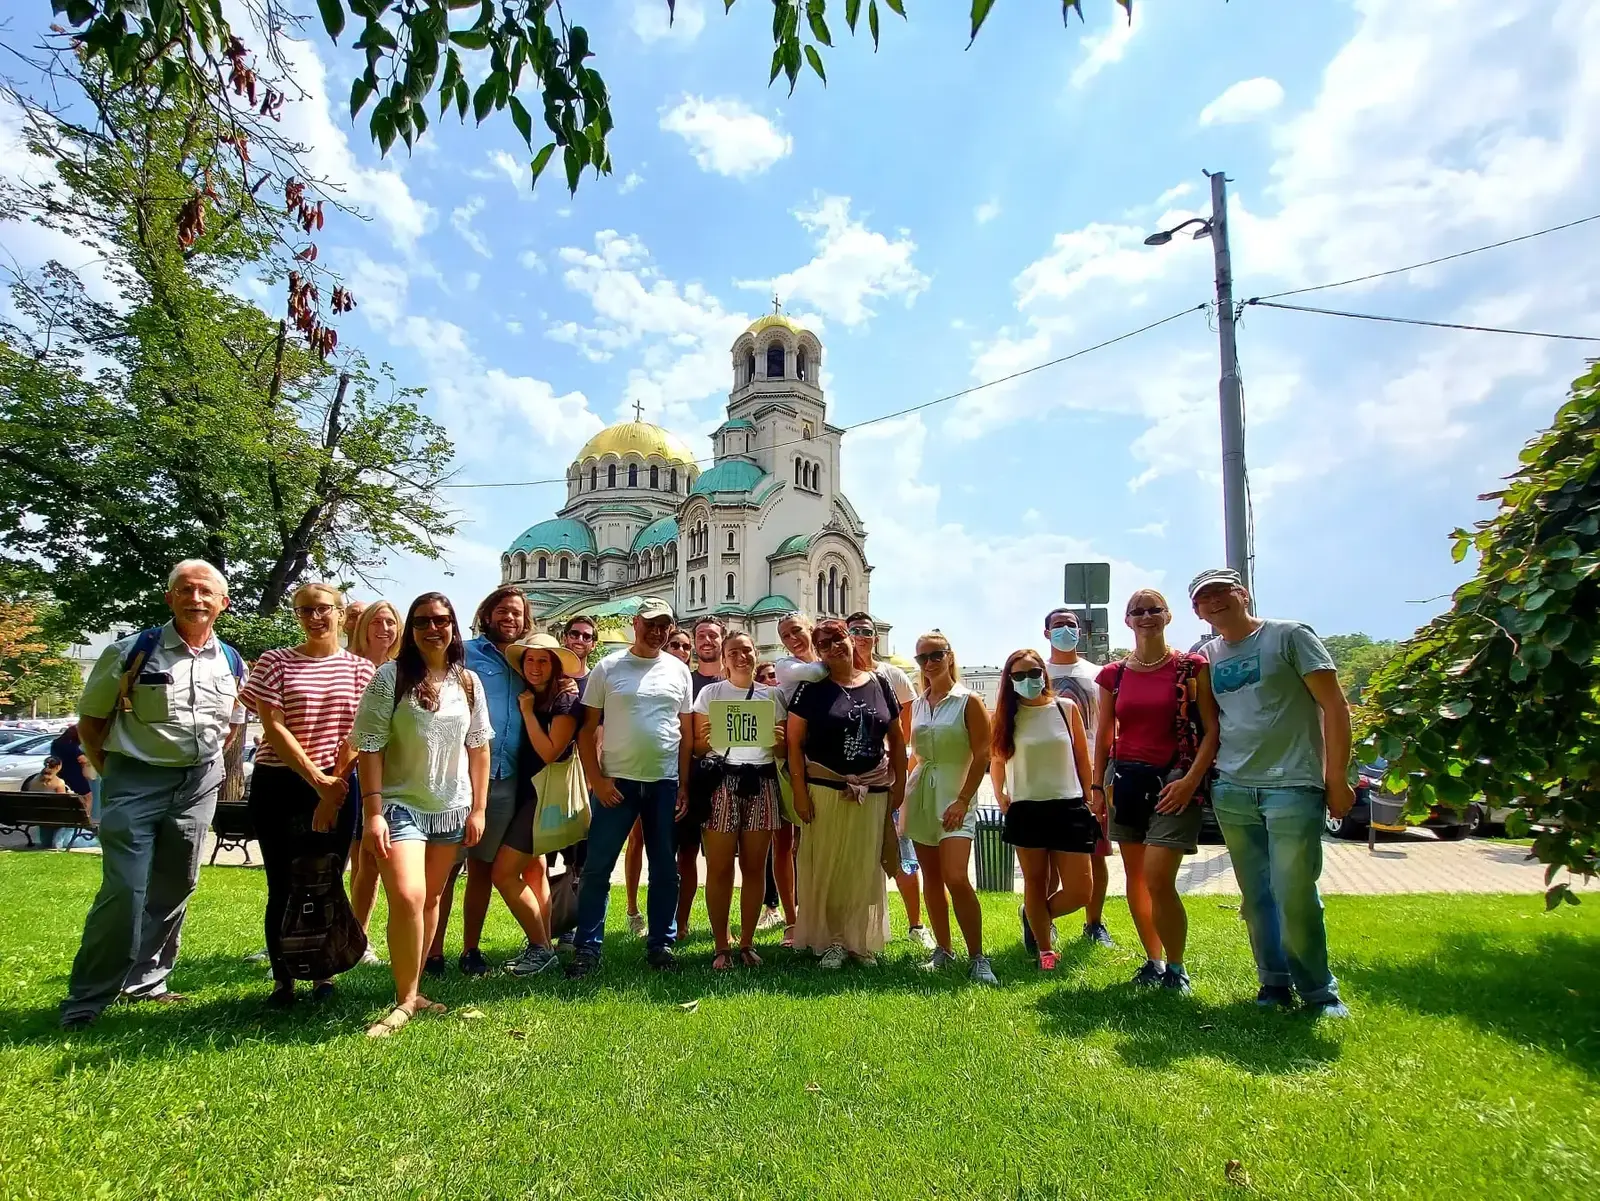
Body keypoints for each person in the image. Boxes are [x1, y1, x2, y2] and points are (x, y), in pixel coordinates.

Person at [60, 559, 248, 1029]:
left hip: (198, 784)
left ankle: (146, 981)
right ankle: (87, 998)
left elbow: (231, 726)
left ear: (223, 603)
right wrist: (116, 775)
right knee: (125, 888)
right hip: (134, 780)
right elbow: (91, 724)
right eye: (185, 590)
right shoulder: (130, 652)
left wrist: (205, 766)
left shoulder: (231, 661)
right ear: (170, 598)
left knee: (177, 883)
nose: (195, 599)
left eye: (206, 592)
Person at [1189, 568, 1353, 1018]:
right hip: (1232, 789)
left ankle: (1319, 991)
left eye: (1222, 592)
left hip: (1293, 785)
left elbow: (1335, 706)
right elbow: (1209, 724)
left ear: (1242, 594)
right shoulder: (1206, 657)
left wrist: (1336, 777)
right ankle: (1274, 982)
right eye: (1204, 598)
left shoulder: (1289, 636)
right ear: (1197, 611)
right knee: (1256, 896)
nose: (1214, 601)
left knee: (1294, 892)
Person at [352, 593, 492, 1037]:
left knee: (431, 899)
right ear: (411, 630)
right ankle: (404, 999)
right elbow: (369, 746)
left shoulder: (467, 681)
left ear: (454, 626)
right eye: (423, 622)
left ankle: (413, 993)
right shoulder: (389, 678)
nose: (433, 629)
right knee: (408, 897)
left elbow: (479, 747)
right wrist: (373, 811)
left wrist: (479, 808)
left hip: (451, 807)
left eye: (442, 620)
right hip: (400, 805)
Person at [239, 582, 375, 1007]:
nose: (315, 618)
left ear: (340, 614)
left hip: (339, 783)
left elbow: (361, 731)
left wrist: (333, 788)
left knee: (327, 878)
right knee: (282, 882)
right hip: (281, 782)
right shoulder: (275, 662)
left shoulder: (361, 670)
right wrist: (317, 780)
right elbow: (273, 726)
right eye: (305, 610)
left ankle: (323, 973)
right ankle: (283, 979)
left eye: (323, 609)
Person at [1090, 589, 1218, 995]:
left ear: (1168, 616)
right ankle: (1154, 960)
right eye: (1138, 611)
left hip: (1174, 784)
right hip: (1126, 783)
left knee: (1158, 877)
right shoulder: (1113, 675)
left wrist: (1190, 781)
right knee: (1137, 878)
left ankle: (1177, 968)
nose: (1146, 616)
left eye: (1154, 610)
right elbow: (1104, 735)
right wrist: (1098, 786)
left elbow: (1212, 730)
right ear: (1127, 620)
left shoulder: (1191, 667)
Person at [568, 598, 693, 978]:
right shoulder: (608, 667)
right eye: (650, 624)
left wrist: (684, 785)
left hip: (664, 783)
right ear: (635, 624)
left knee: (665, 869)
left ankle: (661, 945)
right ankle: (587, 947)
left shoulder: (679, 670)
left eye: (664, 626)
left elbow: (686, 734)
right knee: (597, 868)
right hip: (617, 784)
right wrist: (597, 780)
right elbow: (586, 730)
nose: (657, 632)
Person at [788, 618, 908, 968]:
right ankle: (833, 940)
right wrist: (799, 792)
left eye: (838, 638)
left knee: (863, 866)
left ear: (850, 638)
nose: (833, 647)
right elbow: (794, 743)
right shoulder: (811, 688)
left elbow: (897, 737)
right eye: (823, 644)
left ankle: (859, 941)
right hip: (826, 790)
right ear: (818, 652)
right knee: (829, 866)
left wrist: (899, 784)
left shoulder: (880, 684)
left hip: (872, 791)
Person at [425, 585, 531, 977]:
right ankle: (433, 951)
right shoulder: (464, 653)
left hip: (504, 778)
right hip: (457, 777)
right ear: (487, 615)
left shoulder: (525, 660)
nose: (510, 618)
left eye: (517, 613)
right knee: (445, 869)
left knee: (483, 867)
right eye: (502, 611)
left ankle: (471, 949)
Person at [989, 648, 1101, 971]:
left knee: (1080, 891)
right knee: (1036, 883)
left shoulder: (1065, 708)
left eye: (1034, 672)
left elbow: (1082, 757)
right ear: (1010, 680)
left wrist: (1091, 795)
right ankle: (1046, 952)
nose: (1028, 680)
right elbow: (997, 761)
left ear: (1044, 673)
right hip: (1026, 809)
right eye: (1019, 675)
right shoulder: (1006, 717)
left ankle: (1034, 914)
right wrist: (999, 793)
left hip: (1069, 805)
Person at [904, 632, 995, 984]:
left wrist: (963, 799)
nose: (929, 663)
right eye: (922, 658)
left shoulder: (968, 700)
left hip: (955, 795)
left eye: (936, 655)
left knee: (956, 876)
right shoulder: (918, 703)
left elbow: (983, 753)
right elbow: (915, 755)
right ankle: (943, 949)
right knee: (931, 877)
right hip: (921, 795)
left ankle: (978, 956)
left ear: (950, 656)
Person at [691, 631, 786, 969]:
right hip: (722, 782)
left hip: (760, 782)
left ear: (756, 654)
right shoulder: (710, 694)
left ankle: (747, 942)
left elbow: (783, 750)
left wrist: (778, 741)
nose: (741, 657)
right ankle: (722, 944)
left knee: (754, 867)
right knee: (719, 868)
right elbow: (697, 748)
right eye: (733, 652)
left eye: (746, 650)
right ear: (724, 657)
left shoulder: (772, 695)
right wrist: (707, 739)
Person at [495, 634, 584, 977]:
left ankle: (540, 948)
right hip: (524, 790)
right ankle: (543, 942)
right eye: (529, 660)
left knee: (504, 873)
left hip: (542, 796)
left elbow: (550, 752)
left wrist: (528, 713)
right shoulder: (530, 692)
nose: (535, 666)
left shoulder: (565, 699)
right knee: (534, 870)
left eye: (543, 660)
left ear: (555, 664)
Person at [846, 611, 930, 950]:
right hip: (853, 778)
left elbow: (906, 731)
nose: (860, 637)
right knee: (856, 855)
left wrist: (897, 772)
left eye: (866, 631)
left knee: (902, 853)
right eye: (853, 631)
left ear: (875, 638)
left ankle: (916, 925)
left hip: (890, 776)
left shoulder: (892, 675)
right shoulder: (836, 677)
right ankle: (856, 928)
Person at [1044, 607, 1116, 949]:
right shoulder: (1036, 673)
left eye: (1071, 624)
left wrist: (1100, 780)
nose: (1065, 630)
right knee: (1047, 858)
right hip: (1047, 778)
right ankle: (1042, 921)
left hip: (1089, 778)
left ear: (1080, 631)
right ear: (1047, 633)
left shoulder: (1097, 674)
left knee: (1095, 854)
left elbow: (1107, 728)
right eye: (1058, 625)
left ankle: (1094, 923)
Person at [627, 623, 691, 935]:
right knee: (637, 841)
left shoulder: (686, 678)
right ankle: (632, 910)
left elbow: (688, 731)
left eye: (685, 646)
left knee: (670, 854)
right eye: (675, 645)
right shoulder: (643, 673)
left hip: (674, 777)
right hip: (638, 773)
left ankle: (670, 927)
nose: (680, 651)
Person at [764, 611, 823, 945]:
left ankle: (815, 915)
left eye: (797, 631)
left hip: (821, 759)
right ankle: (791, 919)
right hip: (788, 759)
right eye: (785, 635)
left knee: (813, 841)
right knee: (784, 841)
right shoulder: (787, 666)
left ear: (810, 629)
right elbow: (818, 672)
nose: (792, 639)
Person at [346, 600, 401, 962]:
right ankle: (303, 932)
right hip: (341, 772)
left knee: (368, 862)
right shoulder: (346, 666)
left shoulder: (401, 671)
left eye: (390, 623)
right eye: (376, 622)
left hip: (382, 776)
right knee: (328, 861)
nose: (384, 629)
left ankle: (357, 938)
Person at [676, 615, 728, 939]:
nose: (706, 641)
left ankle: (722, 928)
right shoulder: (685, 681)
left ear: (723, 639)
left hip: (729, 779)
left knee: (722, 860)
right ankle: (680, 924)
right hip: (693, 777)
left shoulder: (735, 683)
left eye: (713, 635)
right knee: (687, 854)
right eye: (701, 636)